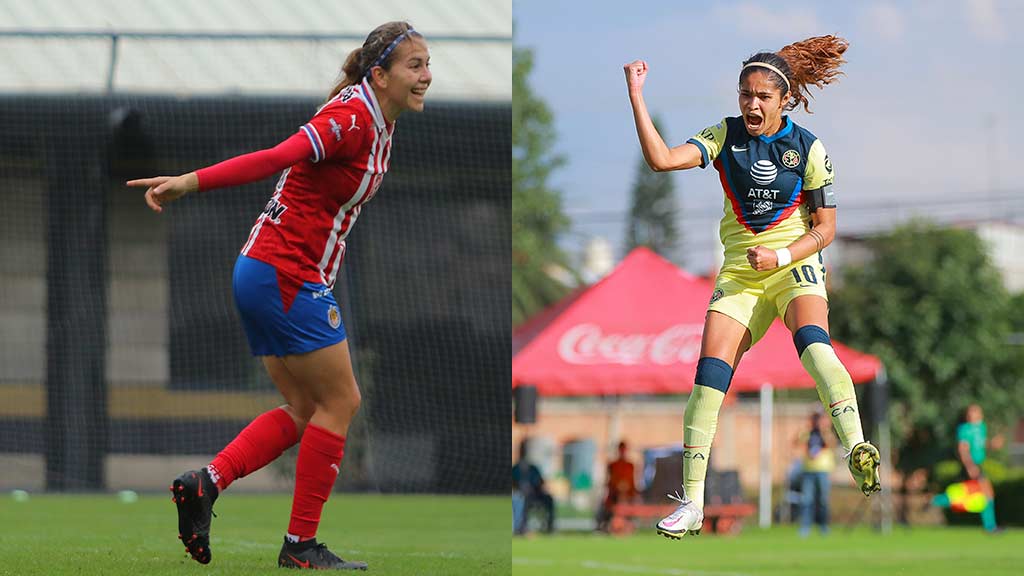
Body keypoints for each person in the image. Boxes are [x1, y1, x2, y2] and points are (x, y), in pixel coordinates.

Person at [127, 21, 431, 570]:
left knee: (307, 408)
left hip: (265, 271)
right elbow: (276, 156)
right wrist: (188, 182)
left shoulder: (376, 117)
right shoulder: (352, 116)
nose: (427, 76)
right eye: (415, 67)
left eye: (428, 65)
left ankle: (206, 483)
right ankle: (300, 547)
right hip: (286, 274)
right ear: (380, 75)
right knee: (342, 403)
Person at [623, 35, 881, 541]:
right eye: (745, 94)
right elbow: (661, 160)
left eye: (763, 96)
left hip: (793, 266)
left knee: (814, 346)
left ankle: (855, 447)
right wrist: (637, 94)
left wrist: (782, 255)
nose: (752, 104)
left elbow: (825, 229)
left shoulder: (809, 147)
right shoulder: (724, 136)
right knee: (708, 379)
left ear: (785, 100)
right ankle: (692, 504)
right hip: (741, 275)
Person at [933, 404, 1002, 532]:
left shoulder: (981, 427)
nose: (973, 415)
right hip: (970, 465)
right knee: (987, 493)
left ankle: (935, 501)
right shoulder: (964, 429)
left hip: (977, 465)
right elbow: (963, 449)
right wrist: (970, 466)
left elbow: (982, 444)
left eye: (976, 412)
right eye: (971, 413)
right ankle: (991, 527)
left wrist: (993, 444)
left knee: (967, 493)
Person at [797, 412, 835, 536]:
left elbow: (832, 444)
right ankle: (805, 527)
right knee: (807, 500)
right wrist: (807, 427)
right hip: (808, 470)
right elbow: (796, 441)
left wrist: (824, 429)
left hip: (823, 470)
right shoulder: (808, 432)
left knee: (823, 500)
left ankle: (824, 526)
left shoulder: (826, 433)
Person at [512, 439, 555, 535]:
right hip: (520, 495)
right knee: (518, 500)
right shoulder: (515, 469)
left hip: (535, 494)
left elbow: (541, 482)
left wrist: (534, 487)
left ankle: (550, 527)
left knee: (549, 498)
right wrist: (520, 488)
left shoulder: (533, 468)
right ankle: (520, 528)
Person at [596, 441, 639, 532]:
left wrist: (626, 489)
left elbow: (632, 482)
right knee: (602, 507)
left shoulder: (630, 465)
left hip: (628, 495)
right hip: (614, 495)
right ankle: (602, 525)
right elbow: (609, 481)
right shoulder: (613, 465)